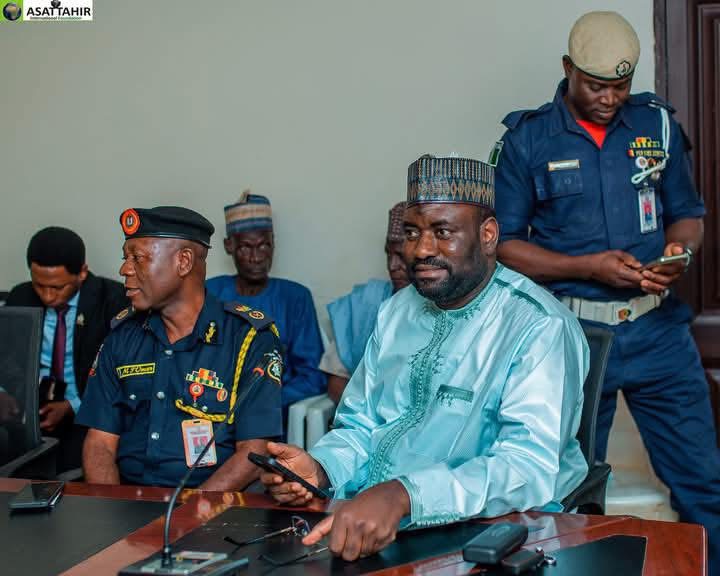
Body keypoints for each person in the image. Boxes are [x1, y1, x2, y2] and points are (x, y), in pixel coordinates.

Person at [259, 155, 588, 561]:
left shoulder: (537, 325)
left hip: (491, 532)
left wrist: (405, 496)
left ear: (487, 235)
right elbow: (360, 424)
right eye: (412, 233)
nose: (420, 250)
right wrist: (322, 468)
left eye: (442, 232)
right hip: (373, 519)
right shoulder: (398, 311)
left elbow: (525, 467)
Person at [493, 11, 720, 574]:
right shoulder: (528, 140)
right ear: (568, 69)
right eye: (596, 85)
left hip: (657, 331)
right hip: (574, 337)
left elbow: (688, 215)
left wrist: (678, 253)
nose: (610, 98)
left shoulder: (656, 125)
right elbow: (504, 247)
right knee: (568, 489)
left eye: (620, 85)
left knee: (703, 482)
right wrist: (588, 267)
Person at [76, 207, 283, 489]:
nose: (125, 269)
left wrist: (189, 511)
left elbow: (253, 451)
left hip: (213, 505)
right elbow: (99, 442)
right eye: (126, 258)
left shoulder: (249, 338)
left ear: (183, 262)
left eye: (138, 258)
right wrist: (109, 507)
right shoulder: (123, 335)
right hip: (127, 500)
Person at [4, 226, 127, 471]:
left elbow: (120, 370)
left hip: (87, 414)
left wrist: (72, 405)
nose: (48, 296)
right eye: (39, 285)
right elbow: (4, 355)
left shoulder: (112, 300)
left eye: (58, 287)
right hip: (30, 412)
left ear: (82, 272)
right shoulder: (20, 297)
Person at [207, 192, 325, 410]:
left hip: (273, 412)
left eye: (264, 246)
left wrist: (264, 402)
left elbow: (313, 376)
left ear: (273, 244)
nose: (256, 257)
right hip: (213, 408)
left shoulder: (296, 298)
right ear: (229, 246)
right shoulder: (210, 292)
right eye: (246, 247)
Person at [320, 201, 410, 403]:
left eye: (401, 256)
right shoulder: (365, 303)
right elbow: (336, 382)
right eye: (388, 254)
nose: (392, 266)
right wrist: (364, 415)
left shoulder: (444, 310)